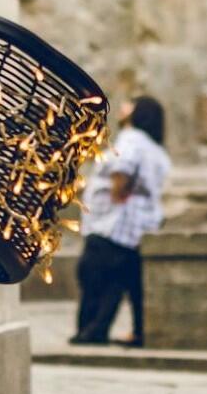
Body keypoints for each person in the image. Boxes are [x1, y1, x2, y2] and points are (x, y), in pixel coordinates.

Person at [72, 96, 171, 346]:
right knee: (118, 284)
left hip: (111, 224)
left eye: (130, 104)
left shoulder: (131, 138)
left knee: (93, 276)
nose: (123, 108)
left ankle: (90, 332)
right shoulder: (157, 150)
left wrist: (116, 196)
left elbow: (122, 170)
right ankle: (110, 332)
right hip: (137, 228)